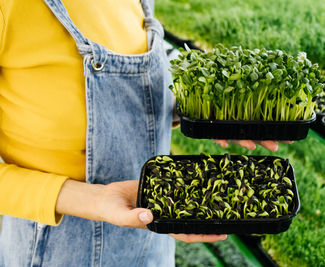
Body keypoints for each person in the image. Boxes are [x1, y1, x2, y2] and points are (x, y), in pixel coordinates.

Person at [0, 0, 281, 266]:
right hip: (58, 250)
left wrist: (200, 110)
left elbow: (131, 94)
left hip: (152, 237)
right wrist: (96, 200)